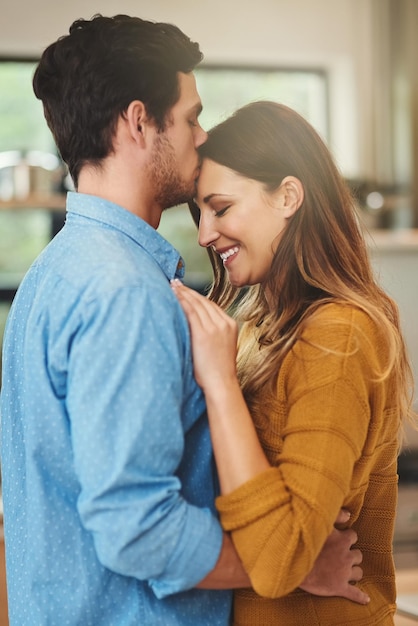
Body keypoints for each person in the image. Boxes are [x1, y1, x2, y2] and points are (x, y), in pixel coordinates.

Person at [0, 15, 367, 626]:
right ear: (139, 121)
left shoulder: (55, 270)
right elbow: (137, 531)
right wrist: (291, 564)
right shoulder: (125, 291)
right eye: (192, 117)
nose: (202, 137)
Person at [171, 100, 417, 625]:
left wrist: (218, 381)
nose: (204, 235)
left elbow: (280, 556)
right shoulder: (261, 325)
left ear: (287, 196)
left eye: (220, 207)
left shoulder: (340, 335)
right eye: (200, 214)